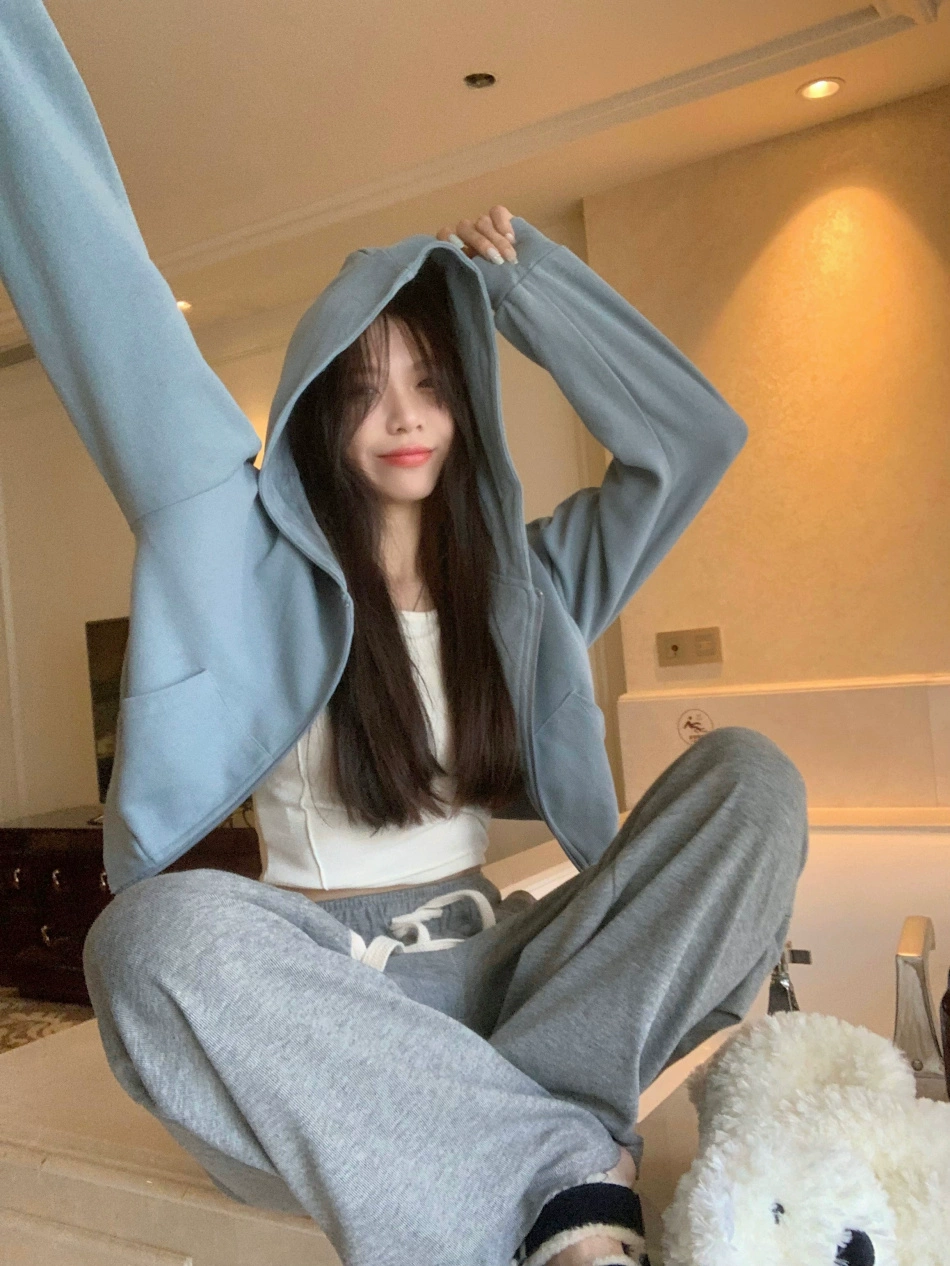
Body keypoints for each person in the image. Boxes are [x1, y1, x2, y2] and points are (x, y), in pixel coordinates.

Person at [0, 4, 808, 1264]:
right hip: (326, 1011)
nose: (404, 417)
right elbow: (105, 298)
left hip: (515, 989)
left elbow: (688, 443)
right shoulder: (231, 550)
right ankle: (561, 1175)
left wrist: (530, 291)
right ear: (317, 410)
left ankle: (501, 1138)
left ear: (465, 401)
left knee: (749, 777)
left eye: (431, 381)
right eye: (364, 388)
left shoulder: (526, 585)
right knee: (148, 937)